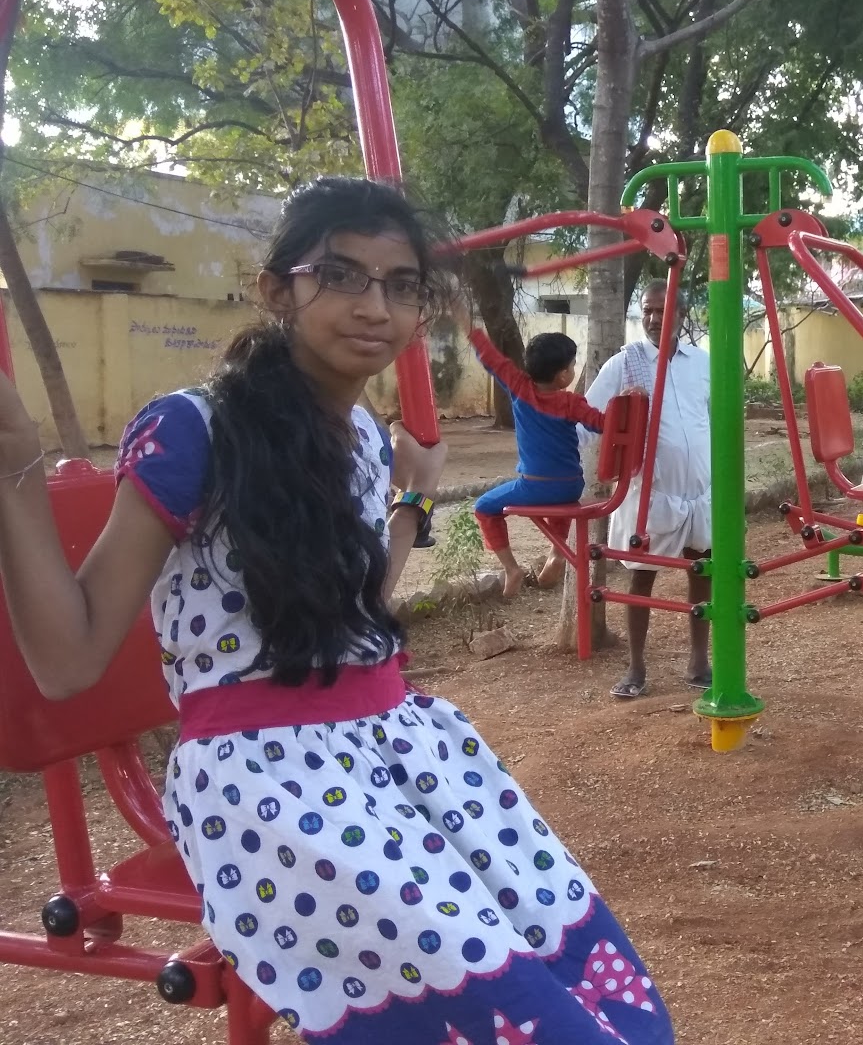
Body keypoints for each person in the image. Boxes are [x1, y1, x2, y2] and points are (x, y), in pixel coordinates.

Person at [0, 178, 673, 1045]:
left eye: (402, 286)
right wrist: (17, 472)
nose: (375, 307)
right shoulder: (194, 431)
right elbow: (70, 660)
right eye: (342, 275)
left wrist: (414, 503)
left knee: (585, 979)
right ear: (277, 289)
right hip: (263, 785)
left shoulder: (358, 435)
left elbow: (353, 608)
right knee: (530, 1022)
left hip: (388, 747)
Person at [585, 279, 711, 700]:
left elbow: (716, 418)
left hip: (698, 492)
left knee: (702, 571)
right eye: (648, 311)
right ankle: (636, 667)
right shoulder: (627, 363)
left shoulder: (702, 363)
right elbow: (587, 419)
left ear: (680, 314)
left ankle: (699, 660)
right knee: (641, 578)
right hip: (649, 496)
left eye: (663, 310)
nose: (655, 319)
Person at [451, 299, 608, 598]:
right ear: (563, 376)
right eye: (573, 364)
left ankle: (511, 568)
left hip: (534, 487)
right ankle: (557, 553)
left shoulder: (519, 387)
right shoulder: (570, 402)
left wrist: (466, 323)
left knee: (484, 507)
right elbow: (601, 424)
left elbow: (490, 357)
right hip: (571, 487)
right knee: (561, 505)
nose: (574, 369)